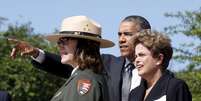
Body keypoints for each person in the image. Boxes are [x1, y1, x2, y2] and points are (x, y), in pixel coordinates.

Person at [10, 15, 151, 101]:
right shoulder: (105, 64)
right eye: (119, 34)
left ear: (145, 36)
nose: (121, 39)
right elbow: (73, 65)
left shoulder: (162, 76)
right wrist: (36, 53)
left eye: (127, 34)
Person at [129, 30, 192, 101]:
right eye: (136, 56)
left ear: (159, 59)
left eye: (141, 55)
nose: (136, 60)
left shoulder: (175, 87)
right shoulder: (134, 93)